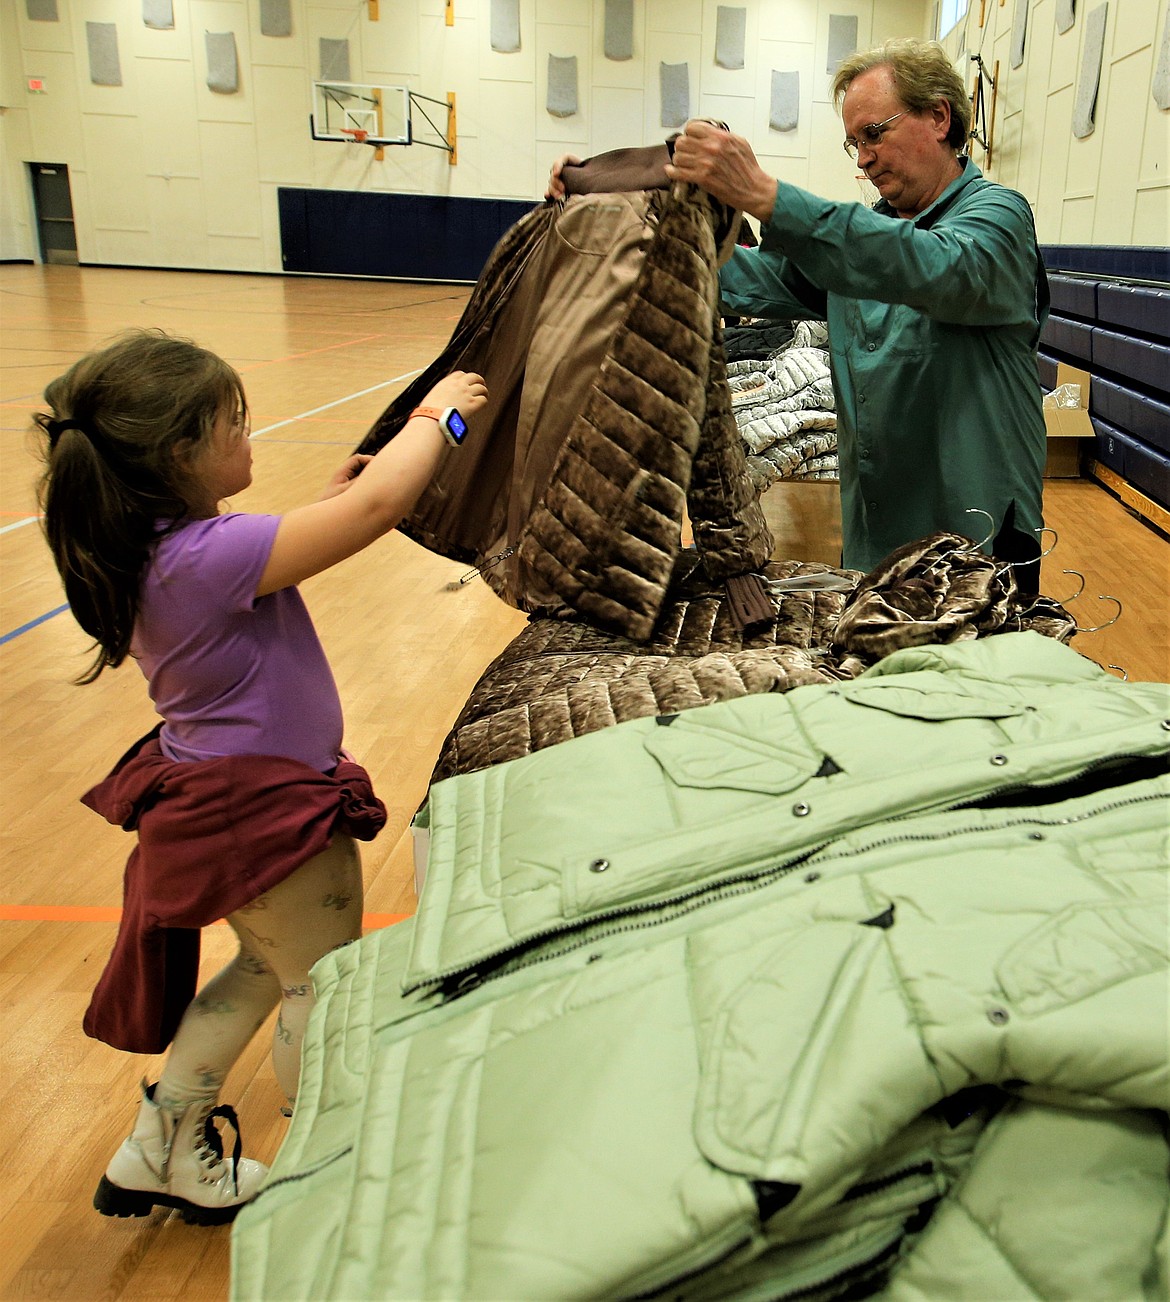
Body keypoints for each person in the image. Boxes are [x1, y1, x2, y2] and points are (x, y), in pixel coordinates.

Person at [35, 329, 487, 1223]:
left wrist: (321, 503)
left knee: (263, 967)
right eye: (234, 425)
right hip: (264, 807)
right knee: (322, 985)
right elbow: (375, 513)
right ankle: (326, 1174)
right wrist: (443, 418)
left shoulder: (163, 548)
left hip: (221, 794)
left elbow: (300, 545)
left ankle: (162, 1143)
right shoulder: (210, 556)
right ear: (179, 453)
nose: (252, 437)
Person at [549, 38, 1050, 594]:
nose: (862, 157)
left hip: (976, 546)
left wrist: (765, 195)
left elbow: (927, 266)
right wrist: (615, 216)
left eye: (874, 133)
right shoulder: (863, 241)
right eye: (853, 142)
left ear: (938, 117)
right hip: (876, 543)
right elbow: (746, 280)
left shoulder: (998, 219)